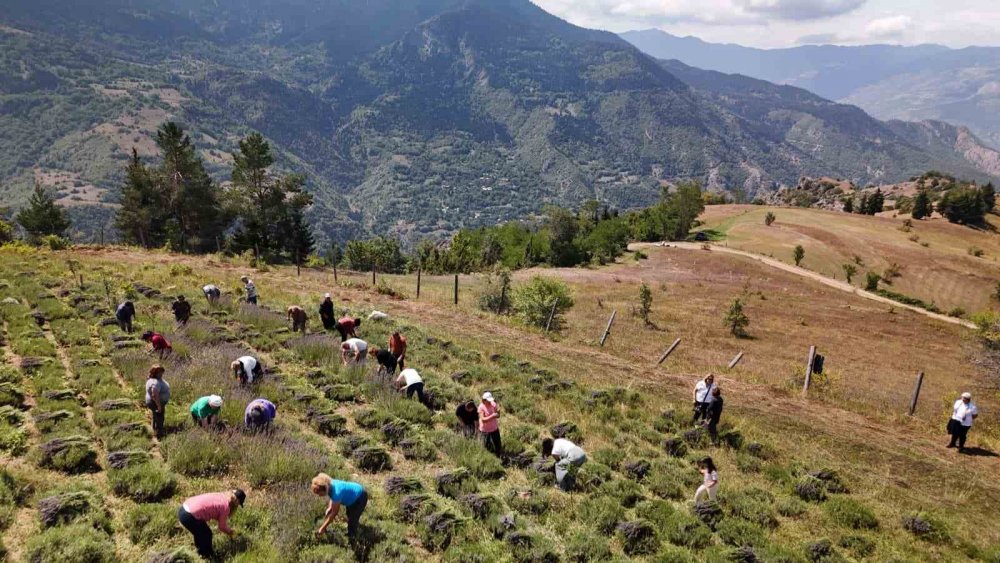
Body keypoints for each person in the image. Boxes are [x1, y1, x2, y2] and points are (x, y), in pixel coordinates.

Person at [177, 489, 246, 558]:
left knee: (201, 532)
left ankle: (201, 554)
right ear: (237, 502)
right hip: (189, 515)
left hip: (184, 507)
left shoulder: (221, 495)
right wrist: (230, 532)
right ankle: (208, 557)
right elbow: (222, 526)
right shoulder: (226, 507)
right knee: (206, 534)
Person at [310, 473, 369, 541]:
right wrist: (330, 507)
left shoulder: (337, 493)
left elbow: (334, 513)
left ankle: (352, 539)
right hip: (352, 496)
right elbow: (331, 495)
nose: (319, 496)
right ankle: (355, 527)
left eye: (319, 493)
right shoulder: (330, 484)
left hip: (360, 498)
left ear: (324, 488)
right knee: (349, 515)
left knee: (352, 521)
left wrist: (322, 528)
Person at [144, 365, 171, 439]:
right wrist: (159, 406)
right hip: (156, 403)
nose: (162, 373)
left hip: (156, 402)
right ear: (156, 373)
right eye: (160, 372)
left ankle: (153, 429)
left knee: (156, 416)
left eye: (162, 372)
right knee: (160, 418)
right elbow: (154, 394)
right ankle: (159, 435)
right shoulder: (155, 382)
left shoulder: (155, 379)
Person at [478, 392, 502, 457]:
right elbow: (483, 420)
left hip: (494, 429)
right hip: (485, 431)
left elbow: (498, 415)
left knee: (498, 445)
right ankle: (488, 459)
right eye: (488, 401)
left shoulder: (493, 404)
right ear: (484, 400)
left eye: (490, 400)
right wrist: (493, 416)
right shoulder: (481, 407)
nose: (490, 402)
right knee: (486, 447)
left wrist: (498, 413)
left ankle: (498, 458)